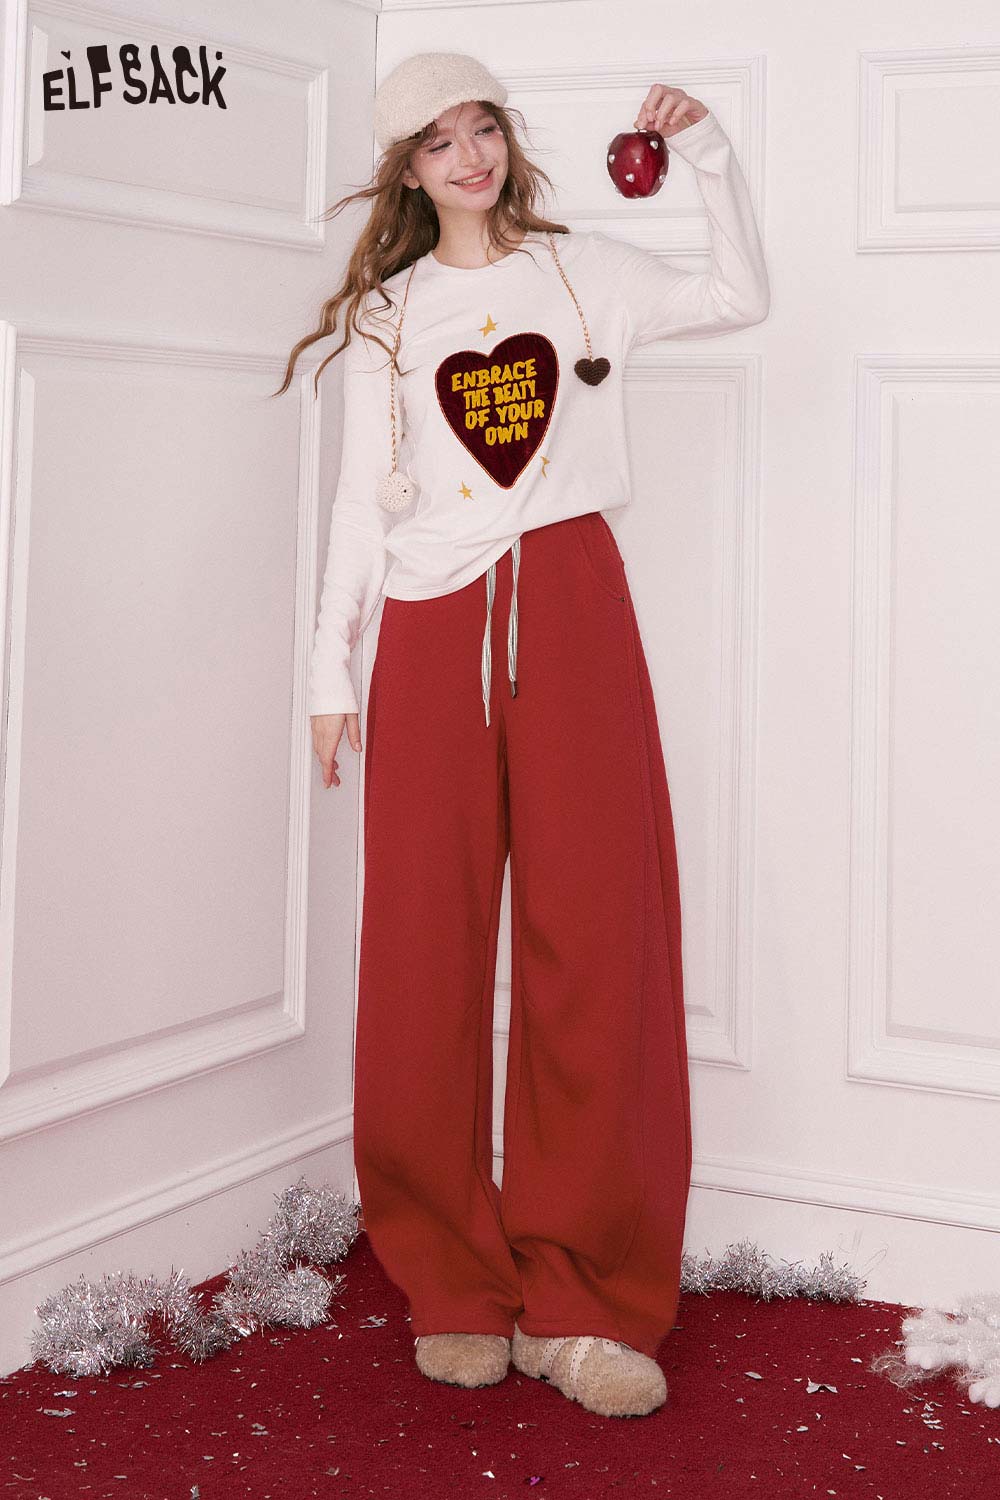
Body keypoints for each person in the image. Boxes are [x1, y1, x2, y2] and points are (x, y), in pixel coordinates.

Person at [276, 51, 769, 1418]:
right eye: (438, 141)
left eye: (482, 126)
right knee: (424, 947)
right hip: (429, 630)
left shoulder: (581, 272)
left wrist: (709, 155)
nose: (470, 156)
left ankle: (586, 1300)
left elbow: (740, 296)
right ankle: (451, 1276)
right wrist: (329, 670)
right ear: (408, 171)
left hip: (570, 602)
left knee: (595, 939)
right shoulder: (389, 317)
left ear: (507, 136)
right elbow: (360, 506)